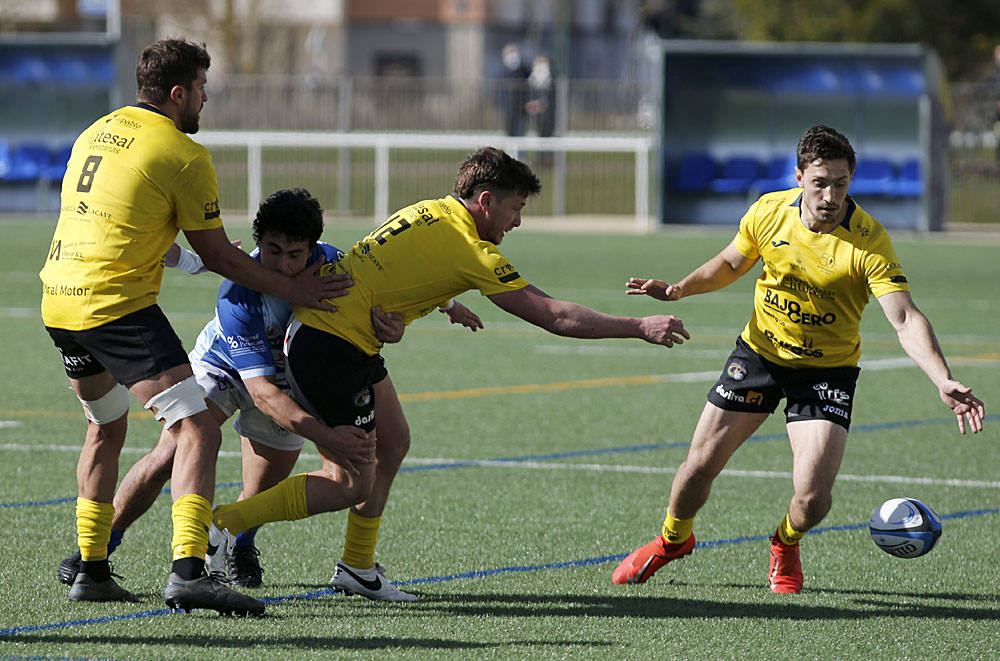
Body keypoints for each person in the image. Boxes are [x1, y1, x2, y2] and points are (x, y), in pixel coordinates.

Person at [207, 147, 691, 600]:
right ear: (485, 201)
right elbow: (554, 316)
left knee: (394, 441)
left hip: (348, 339)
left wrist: (443, 303)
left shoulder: (430, 209)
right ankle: (222, 525)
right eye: (515, 208)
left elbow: (403, 267)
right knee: (351, 480)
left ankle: (357, 567)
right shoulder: (470, 248)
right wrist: (637, 326)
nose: (518, 221)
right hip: (327, 349)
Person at [39, 39, 349, 616]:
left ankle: (93, 567)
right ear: (179, 93)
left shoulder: (97, 132)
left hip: (59, 300)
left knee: (106, 426)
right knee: (197, 430)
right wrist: (293, 288)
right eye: (203, 89)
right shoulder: (183, 154)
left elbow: (132, 231)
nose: (205, 100)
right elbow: (229, 260)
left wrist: (193, 260)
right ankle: (188, 572)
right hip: (118, 307)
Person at [612, 125, 986, 593]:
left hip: (826, 372)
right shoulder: (769, 211)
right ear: (799, 177)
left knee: (812, 498)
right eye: (820, 182)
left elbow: (905, 317)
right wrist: (678, 289)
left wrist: (941, 378)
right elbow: (731, 262)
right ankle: (672, 541)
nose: (831, 195)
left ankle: (785, 542)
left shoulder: (868, 240)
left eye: (842, 183)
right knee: (697, 467)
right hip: (761, 354)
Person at [54, 188, 441, 594]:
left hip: (289, 380)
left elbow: (391, 291)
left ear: (314, 247)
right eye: (273, 251)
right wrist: (327, 437)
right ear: (258, 243)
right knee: (168, 454)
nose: (285, 264)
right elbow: (260, 394)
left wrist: (397, 323)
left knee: (262, 488)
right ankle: (97, 552)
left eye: (296, 254)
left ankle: (239, 545)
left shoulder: (338, 267)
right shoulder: (239, 293)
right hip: (224, 367)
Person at [500, 43, 531, 137]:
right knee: (509, 136)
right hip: (508, 110)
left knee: (520, 135)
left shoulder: (524, 71)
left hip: (521, 110)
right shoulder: (502, 72)